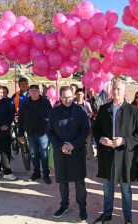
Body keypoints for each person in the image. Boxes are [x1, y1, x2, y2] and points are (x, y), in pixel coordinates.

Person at [93, 81, 138, 224]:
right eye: (113, 89)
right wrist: (101, 139)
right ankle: (107, 214)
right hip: (107, 155)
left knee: (125, 189)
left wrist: (124, 141)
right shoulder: (103, 109)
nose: (116, 91)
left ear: (125, 92)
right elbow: (96, 130)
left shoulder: (133, 111)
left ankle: (128, 218)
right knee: (107, 187)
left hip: (124, 155)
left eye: (119, 89)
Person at [46, 86, 90, 222]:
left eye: (70, 97)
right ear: (60, 97)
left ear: (74, 96)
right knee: (62, 181)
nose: (67, 99)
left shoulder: (80, 111)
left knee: (79, 181)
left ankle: (82, 208)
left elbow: (85, 131)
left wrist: (73, 145)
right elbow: (50, 132)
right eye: (64, 97)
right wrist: (61, 146)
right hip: (61, 152)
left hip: (76, 151)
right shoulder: (54, 112)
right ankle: (64, 205)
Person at [18, 84, 52, 184]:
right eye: (31, 90)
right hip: (31, 133)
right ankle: (36, 173)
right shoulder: (25, 103)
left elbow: (51, 118)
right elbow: (21, 119)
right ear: (29, 92)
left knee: (44, 155)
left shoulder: (45, 102)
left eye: (36, 90)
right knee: (33, 155)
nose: (34, 92)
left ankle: (46, 174)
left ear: (39, 91)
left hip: (43, 133)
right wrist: (20, 133)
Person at [74, 88, 95, 160]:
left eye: (81, 94)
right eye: (78, 94)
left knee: (88, 140)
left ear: (83, 95)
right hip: (76, 125)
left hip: (85, 124)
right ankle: (77, 154)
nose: (80, 96)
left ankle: (89, 155)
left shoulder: (86, 103)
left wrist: (89, 114)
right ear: (75, 95)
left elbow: (91, 112)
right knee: (76, 139)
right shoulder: (73, 104)